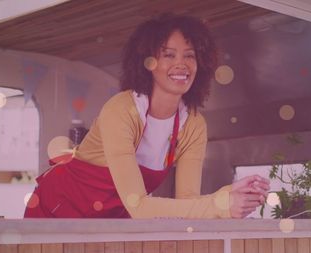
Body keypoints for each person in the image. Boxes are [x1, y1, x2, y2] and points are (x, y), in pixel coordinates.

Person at [24, 13, 270, 219]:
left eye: (190, 55)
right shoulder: (120, 110)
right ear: (148, 63)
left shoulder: (193, 124)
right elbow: (139, 206)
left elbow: (187, 202)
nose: (181, 64)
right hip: (55, 209)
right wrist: (221, 205)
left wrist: (229, 194)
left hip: (112, 218)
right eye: (169, 55)